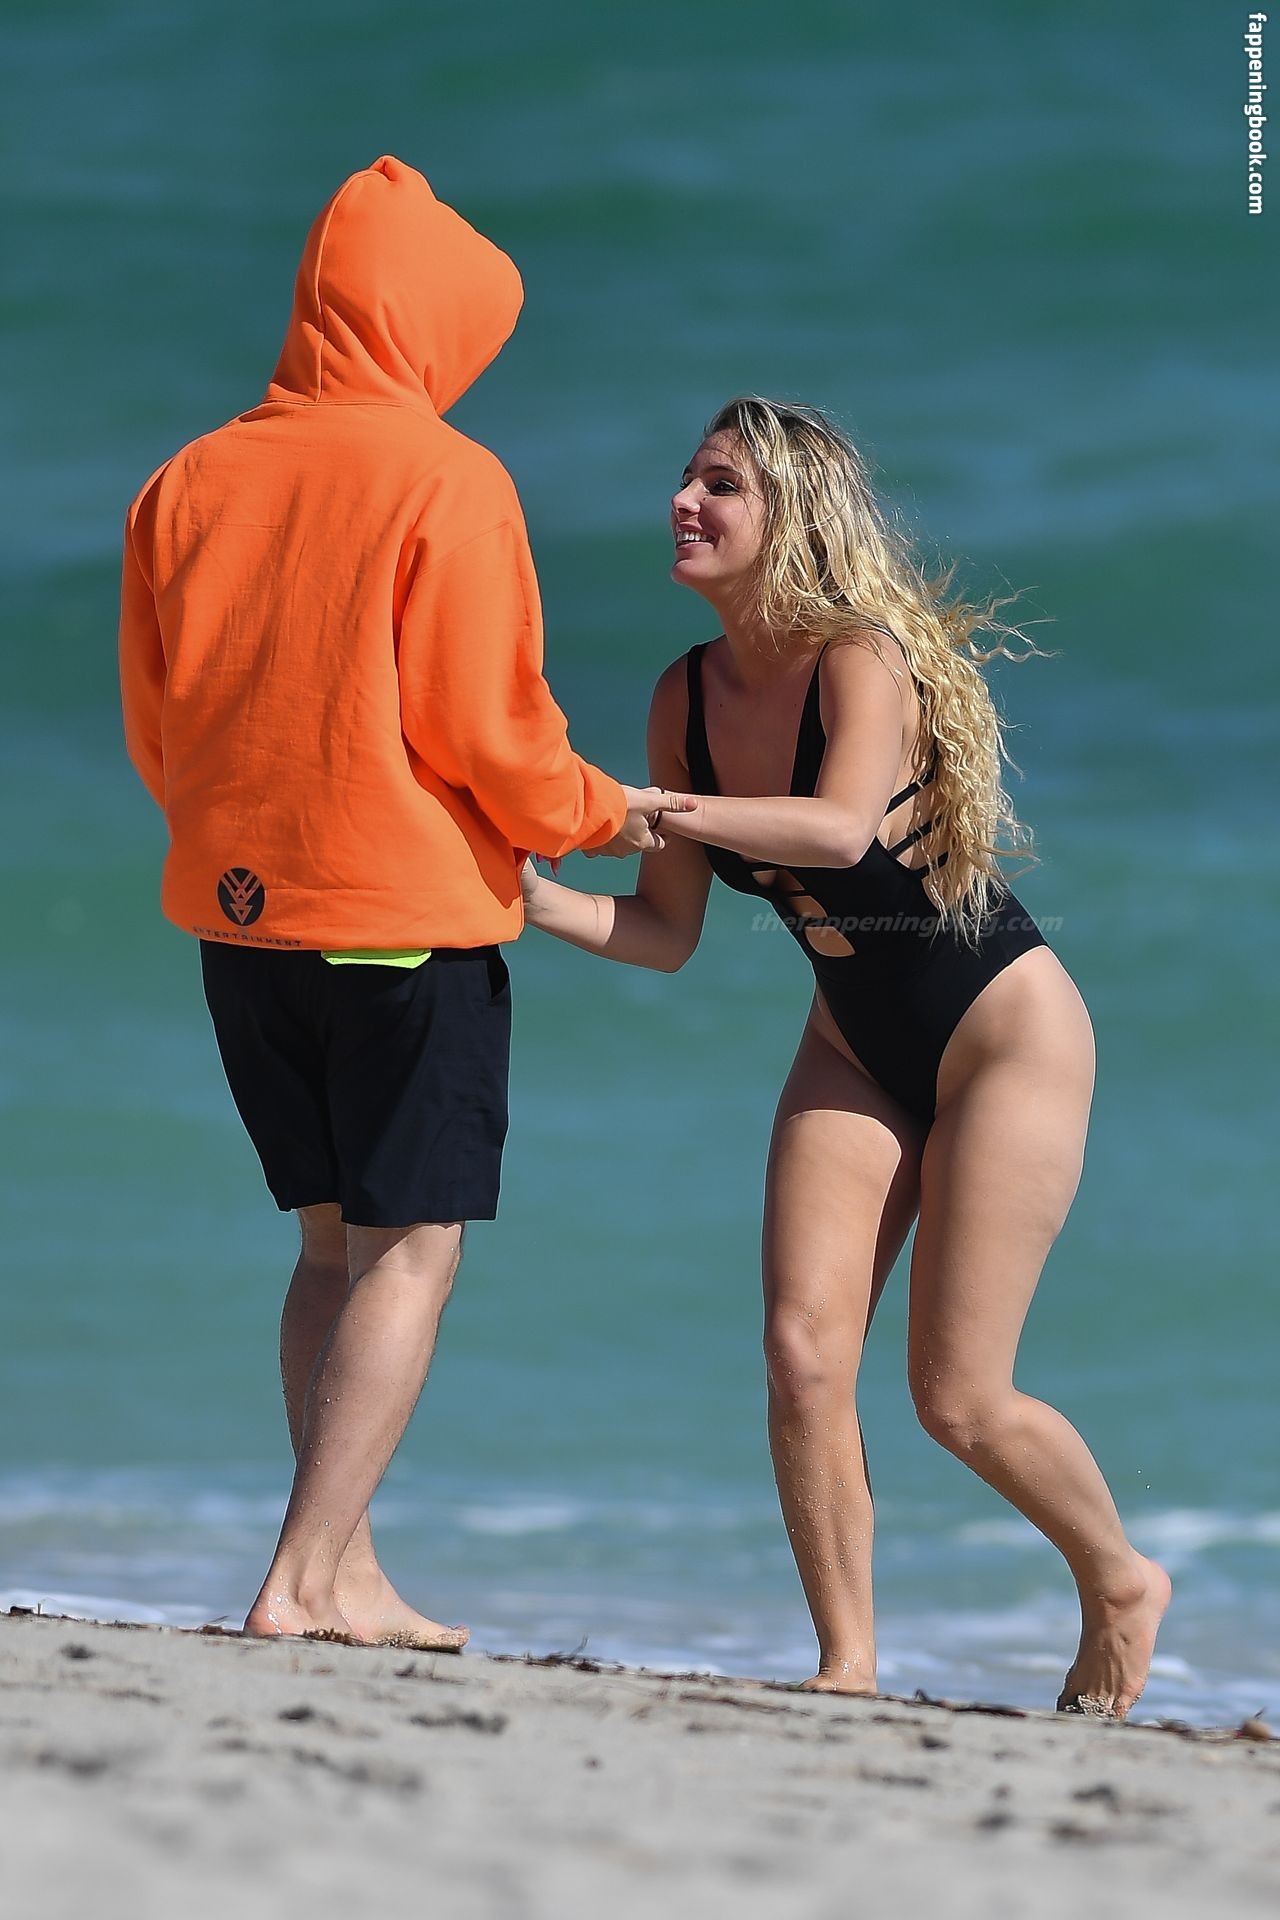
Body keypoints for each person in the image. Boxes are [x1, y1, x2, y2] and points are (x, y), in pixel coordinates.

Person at [519, 395, 1171, 1718]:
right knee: (803, 1354)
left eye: (722, 486)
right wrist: (522, 897)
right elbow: (664, 933)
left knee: (959, 1399)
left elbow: (835, 829)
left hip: (1005, 1036)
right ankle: (848, 1665)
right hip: (854, 1043)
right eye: (687, 479)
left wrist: (645, 807)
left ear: (792, 516)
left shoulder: (859, 660)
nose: (685, 503)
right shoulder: (684, 698)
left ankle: (1118, 1579)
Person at [117, 155, 682, 1648]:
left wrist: (246, 843)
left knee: (327, 1249)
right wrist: (602, 815)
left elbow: (161, 728)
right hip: (400, 922)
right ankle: (302, 1582)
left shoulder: (185, 479)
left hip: (240, 919)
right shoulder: (448, 479)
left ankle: (346, 1573)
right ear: (426, 322)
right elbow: (489, 731)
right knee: (412, 1252)